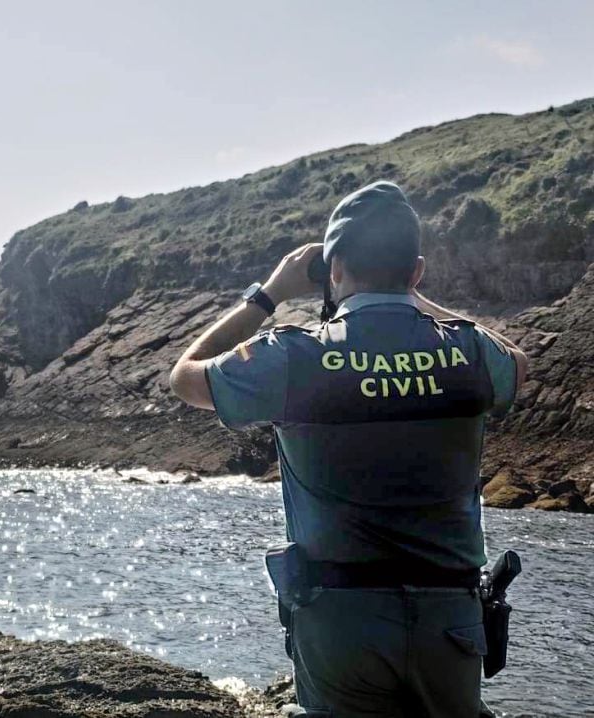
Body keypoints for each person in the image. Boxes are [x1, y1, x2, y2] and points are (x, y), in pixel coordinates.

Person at [169, 181, 528, 717]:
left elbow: (185, 377)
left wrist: (269, 294)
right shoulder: (469, 352)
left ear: (334, 271)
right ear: (417, 271)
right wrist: (408, 293)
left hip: (341, 620)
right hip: (450, 621)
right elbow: (518, 361)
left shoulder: (294, 356)